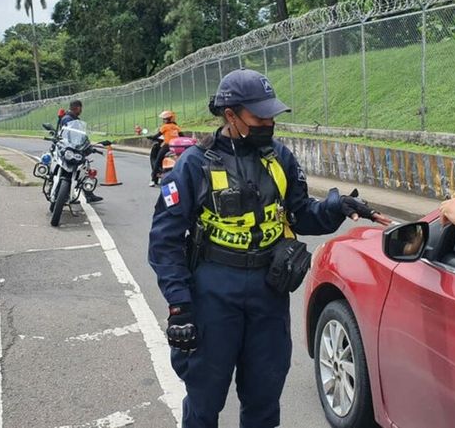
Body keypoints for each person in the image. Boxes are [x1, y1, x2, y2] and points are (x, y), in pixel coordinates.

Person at [147, 68, 391, 428]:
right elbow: (164, 240)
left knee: (264, 398)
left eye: (271, 116)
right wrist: (179, 305)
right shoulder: (195, 164)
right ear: (231, 116)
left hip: (268, 291)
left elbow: (302, 214)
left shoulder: (280, 158)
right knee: (203, 399)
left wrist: (337, 207)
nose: (268, 123)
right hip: (213, 292)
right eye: (259, 117)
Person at [57, 99, 104, 204]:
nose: (81, 110)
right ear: (77, 107)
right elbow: (70, 135)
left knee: (85, 167)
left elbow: (81, 135)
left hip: (74, 148)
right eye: (80, 108)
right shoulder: (68, 119)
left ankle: (88, 193)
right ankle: (66, 193)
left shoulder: (73, 119)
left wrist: (87, 144)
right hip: (69, 148)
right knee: (70, 168)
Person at [148, 111, 182, 186]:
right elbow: (182, 135)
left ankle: (153, 179)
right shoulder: (176, 127)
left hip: (167, 146)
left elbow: (157, 135)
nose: (163, 120)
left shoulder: (164, 127)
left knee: (157, 161)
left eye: (165, 119)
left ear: (169, 119)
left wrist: (151, 137)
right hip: (177, 146)